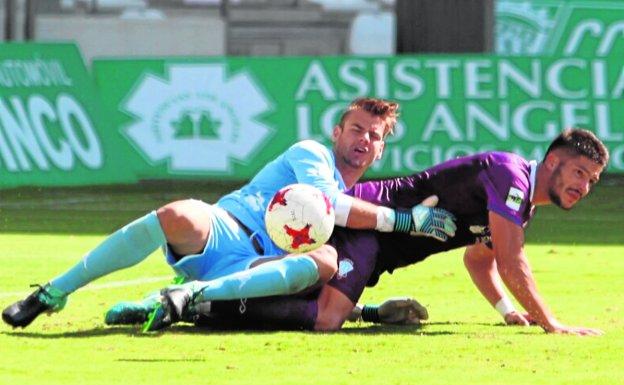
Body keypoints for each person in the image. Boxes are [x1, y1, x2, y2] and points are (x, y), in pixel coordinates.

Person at [2, 97, 456, 329]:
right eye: (356, 128)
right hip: (226, 230)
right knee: (178, 213)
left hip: (260, 267)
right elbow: (332, 207)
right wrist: (405, 220)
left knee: (323, 263)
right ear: (338, 131)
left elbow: (325, 287)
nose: (364, 139)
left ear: (381, 148)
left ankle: (182, 297)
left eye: (375, 136)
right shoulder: (312, 153)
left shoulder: (362, 195)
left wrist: (369, 311)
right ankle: (51, 294)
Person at [148, 128, 608, 335]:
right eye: (580, 173)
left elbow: (480, 258)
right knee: (327, 318)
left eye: (591, 181)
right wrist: (553, 324)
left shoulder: (519, 202)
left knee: (316, 298)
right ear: (552, 161)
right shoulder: (510, 177)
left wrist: (508, 311)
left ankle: (206, 293)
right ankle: (204, 306)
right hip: (372, 222)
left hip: (382, 248)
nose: (583, 186)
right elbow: (512, 261)